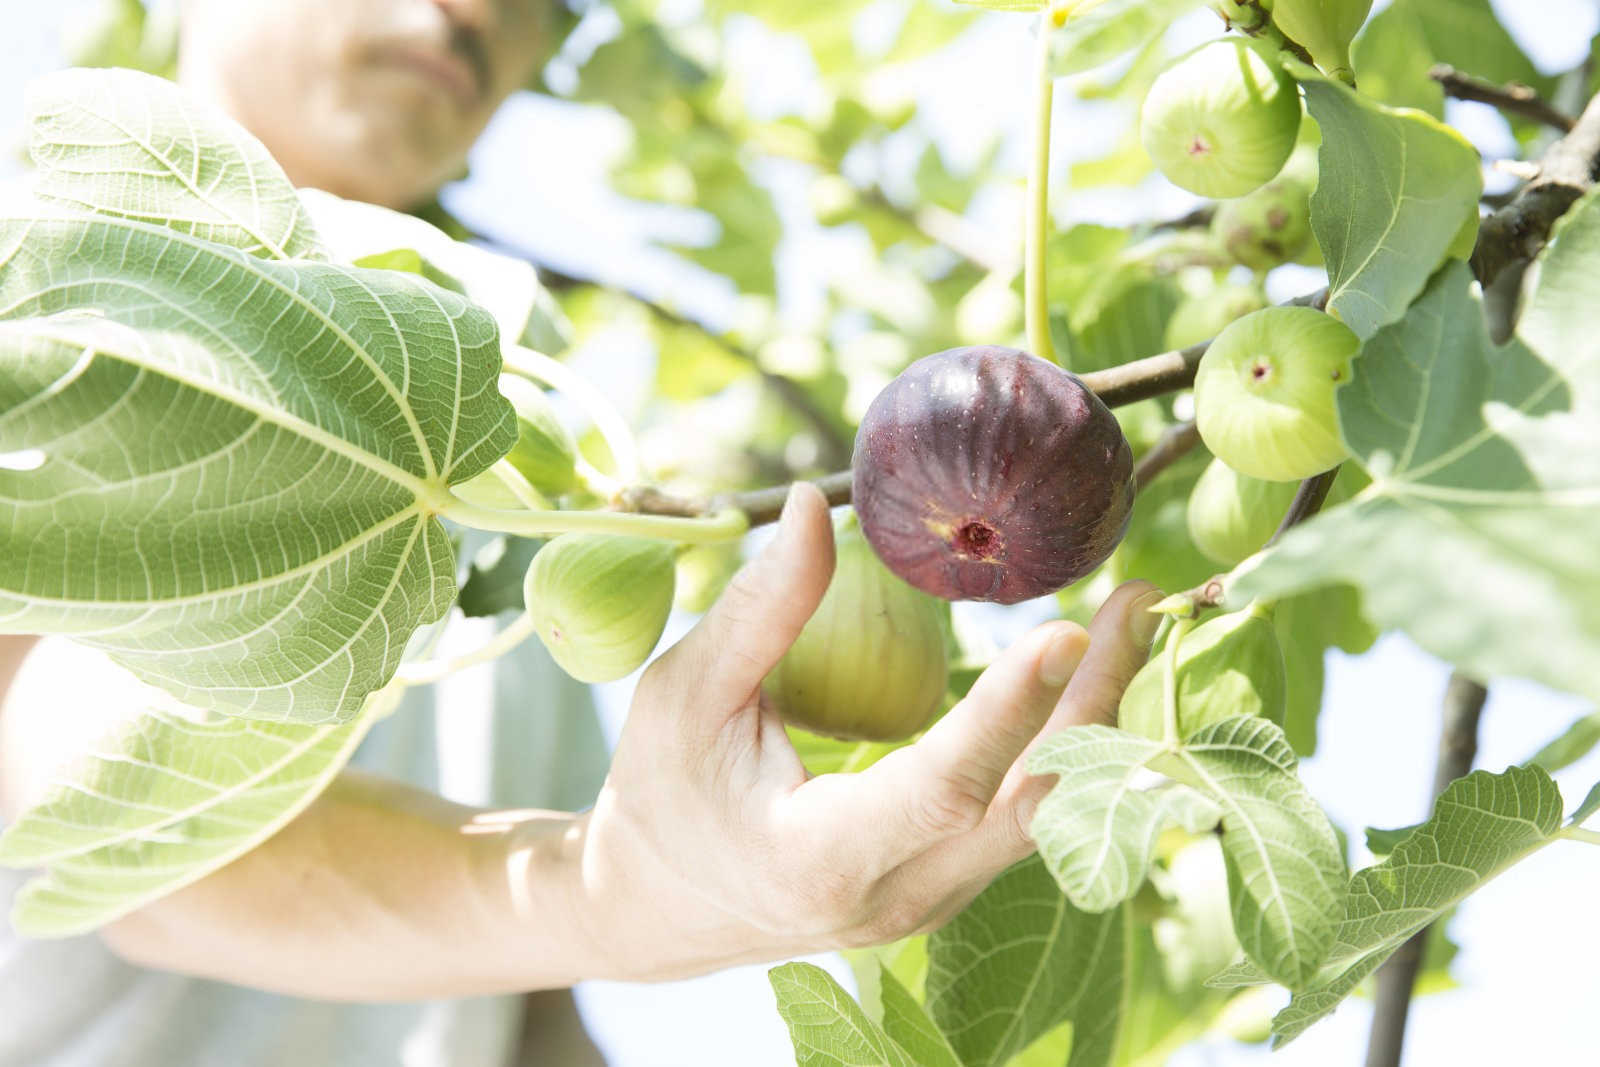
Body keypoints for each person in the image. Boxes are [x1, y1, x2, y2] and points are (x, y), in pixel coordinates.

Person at [0, 1, 1165, 1064]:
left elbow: (525, 1017)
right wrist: (614, 891)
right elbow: (88, 808)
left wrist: (617, 907)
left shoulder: (518, 503)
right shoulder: (40, 294)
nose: (478, 15)